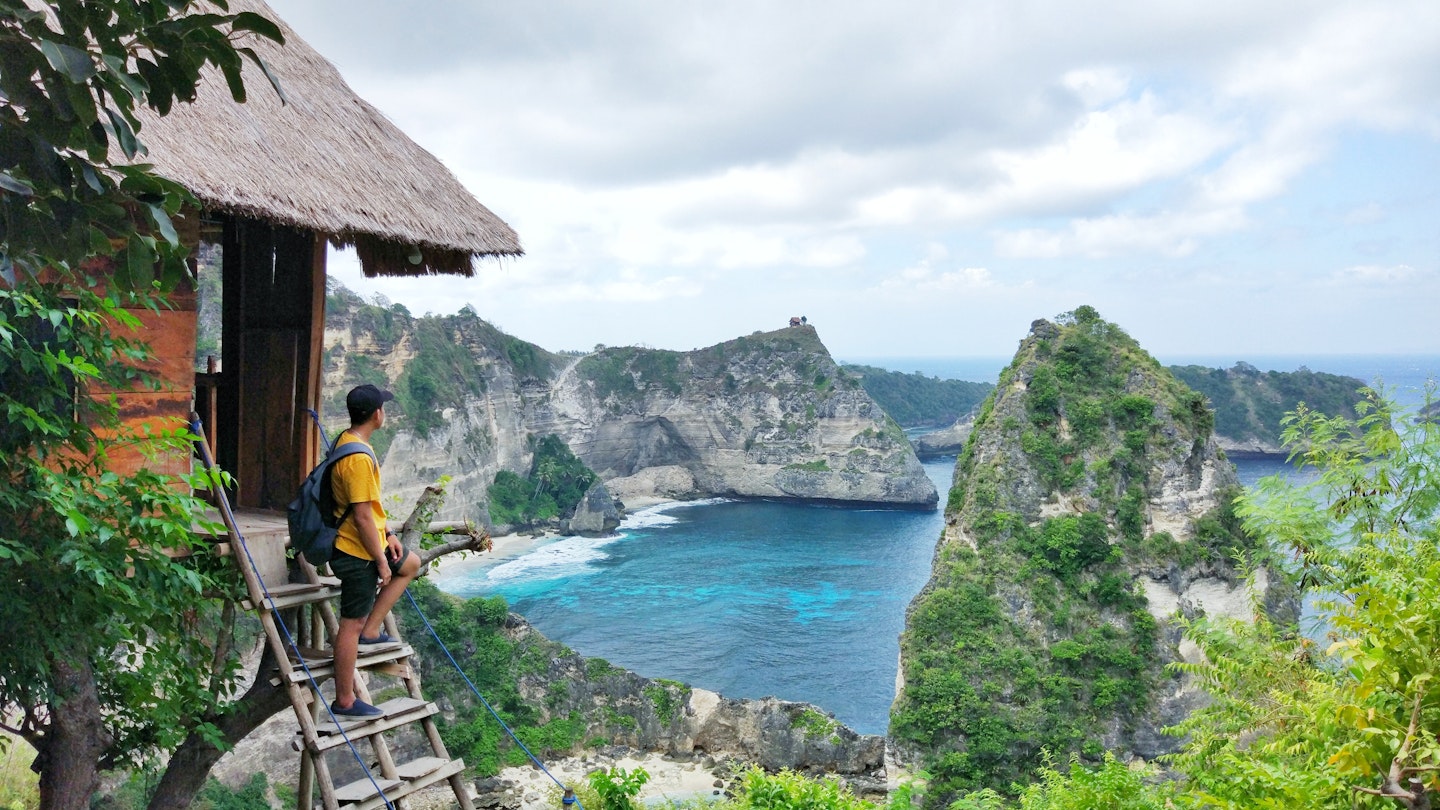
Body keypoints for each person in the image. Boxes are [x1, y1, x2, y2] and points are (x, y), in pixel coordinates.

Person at [327, 383, 422, 717]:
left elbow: (370, 510)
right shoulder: (358, 458)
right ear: (376, 413)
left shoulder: (349, 441)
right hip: (356, 551)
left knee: (410, 563)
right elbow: (362, 514)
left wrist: (390, 533)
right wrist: (381, 560)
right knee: (349, 625)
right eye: (384, 407)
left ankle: (372, 630)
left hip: (368, 542)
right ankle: (345, 700)